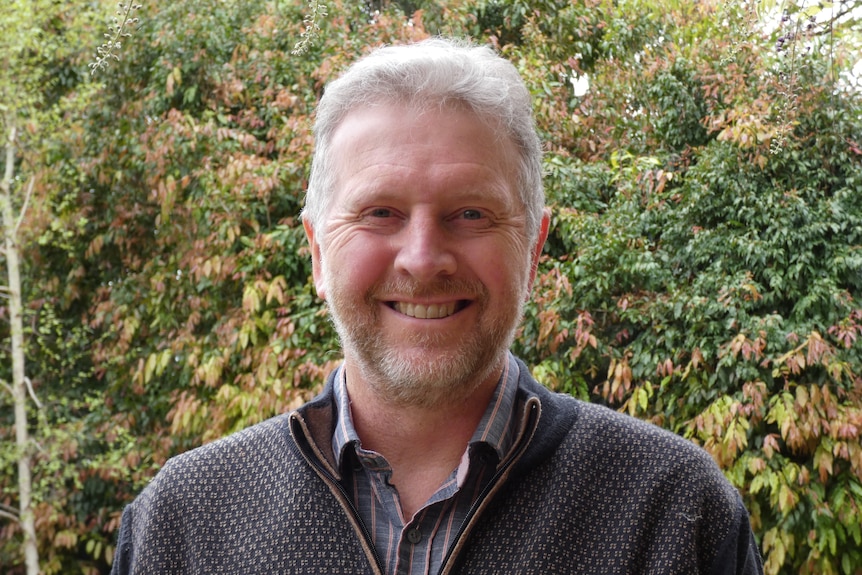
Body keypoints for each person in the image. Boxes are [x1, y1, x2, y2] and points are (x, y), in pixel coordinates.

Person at [110, 37, 763, 574]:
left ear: (532, 250)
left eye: (471, 213)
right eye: (380, 212)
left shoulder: (671, 510)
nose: (422, 258)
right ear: (316, 250)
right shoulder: (184, 522)